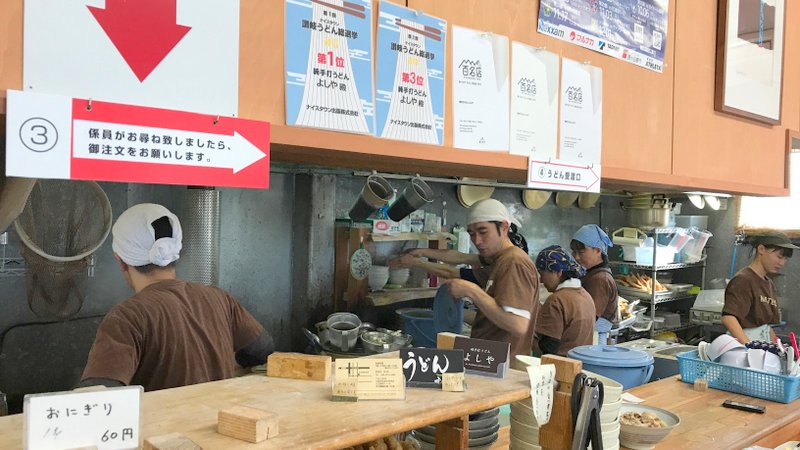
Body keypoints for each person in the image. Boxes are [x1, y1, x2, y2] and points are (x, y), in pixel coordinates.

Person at [80, 203, 274, 391]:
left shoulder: (127, 317)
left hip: (162, 425)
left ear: (120, 261)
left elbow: (99, 395)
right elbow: (263, 349)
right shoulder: (220, 299)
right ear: (175, 254)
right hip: (222, 423)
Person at [390, 199, 539, 358]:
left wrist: (471, 290)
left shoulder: (514, 262)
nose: (477, 241)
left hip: (504, 366)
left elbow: (518, 325)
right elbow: (460, 259)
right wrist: (423, 253)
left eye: (483, 232)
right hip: (490, 361)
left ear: (504, 228)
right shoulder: (498, 259)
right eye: (472, 234)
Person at [722, 231, 797, 344]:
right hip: (743, 344)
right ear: (761, 249)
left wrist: (779, 347)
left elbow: (764, 326)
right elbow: (729, 318)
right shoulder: (744, 280)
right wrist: (748, 347)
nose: (782, 263)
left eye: (785, 259)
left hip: (762, 341)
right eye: (779, 256)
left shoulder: (769, 283)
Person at [533, 245, 595, 356]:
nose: (541, 280)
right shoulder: (586, 296)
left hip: (560, 367)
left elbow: (548, 349)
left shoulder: (556, 300)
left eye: (542, 274)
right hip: (581, 365)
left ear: (558, 272)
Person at [570, 224, 618, 345]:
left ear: (597, 250)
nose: (576, 257)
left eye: (581, 252)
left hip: (594, 339)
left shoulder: (600, 279)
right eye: (574, 252)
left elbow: (590, 316)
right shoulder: (593, 274)